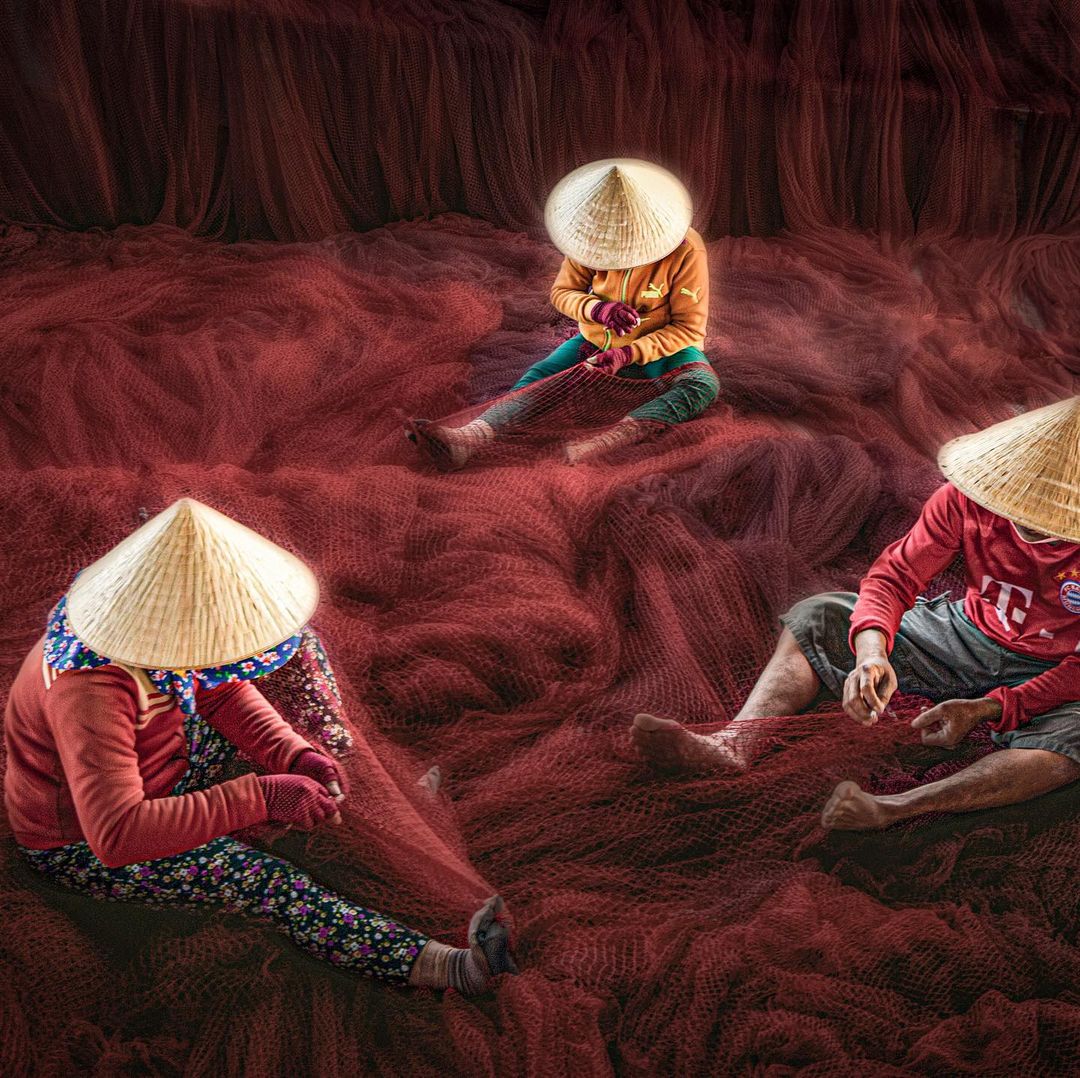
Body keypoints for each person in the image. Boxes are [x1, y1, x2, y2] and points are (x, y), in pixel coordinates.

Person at [3, 498, 516, 992]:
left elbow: (221, 694)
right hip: (86, 843)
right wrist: (262, 795)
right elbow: (117, 836)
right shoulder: (89, 694)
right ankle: (443, 967)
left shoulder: (158, 644)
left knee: (301, 709)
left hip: (163, 767)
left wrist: (292, 753)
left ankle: (370, 803)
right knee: (266, 882)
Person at [631, 398, 1080, 831]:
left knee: (1068, 747)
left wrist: (990, 708)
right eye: (1020, 504)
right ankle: (735, 742)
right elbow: (895, 576)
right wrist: (871, 653)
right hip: (967, 631)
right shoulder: (967, 499)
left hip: (1063, 669)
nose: (1027, 522)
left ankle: (896, 807)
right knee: (820, 614)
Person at [406, 159, 719, 469]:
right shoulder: (590, 239)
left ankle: (606, 440)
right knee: (541, 376)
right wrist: (597, 309)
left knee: (703, 385)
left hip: (661, 348)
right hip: (596, 343)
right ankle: (473, 436)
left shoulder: (686, 249)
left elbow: (688, 329)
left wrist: (629, 353)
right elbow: (562, 293)